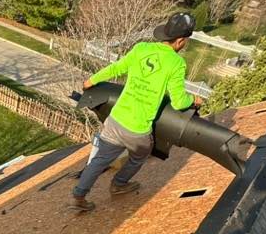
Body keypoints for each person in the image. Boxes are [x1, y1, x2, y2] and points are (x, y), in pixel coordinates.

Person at [72, 12, 203, 212]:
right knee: (139, 156)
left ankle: (80, 194)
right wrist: (194, 100)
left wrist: (91, 80)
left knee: (100, 160)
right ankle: (119, 184)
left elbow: (116, 69)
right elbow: (178, 102)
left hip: (115, 120)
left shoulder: (141, 48)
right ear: (180, 41)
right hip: (138, 130)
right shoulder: (176, 63)